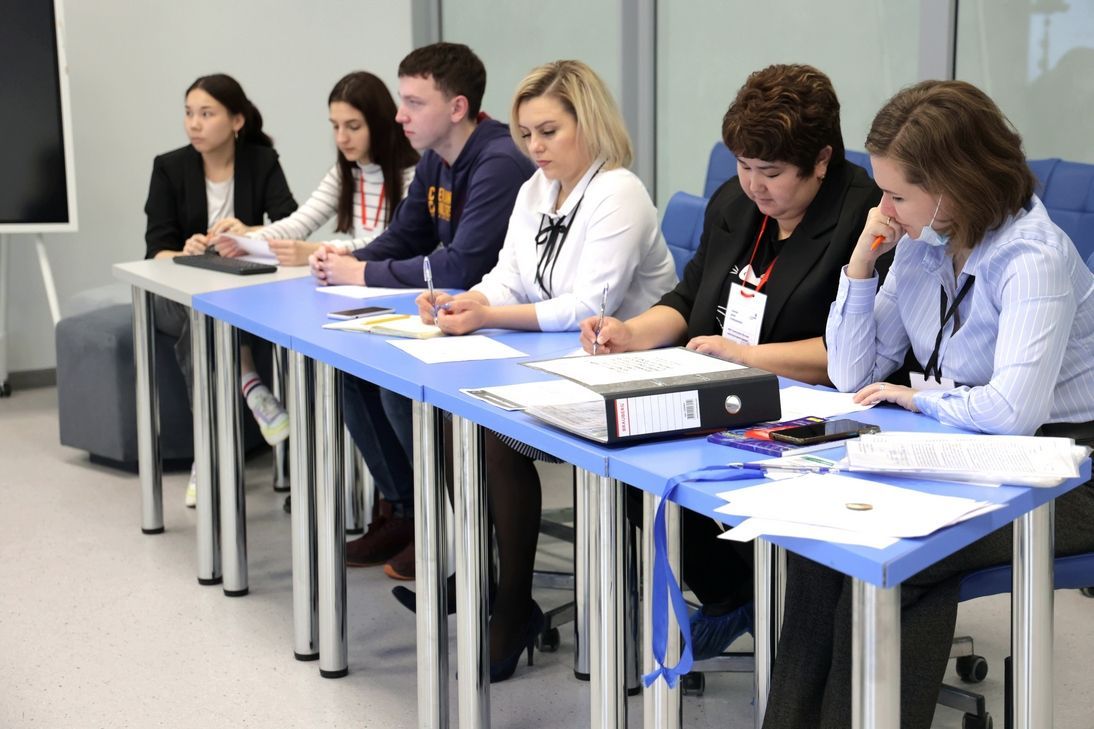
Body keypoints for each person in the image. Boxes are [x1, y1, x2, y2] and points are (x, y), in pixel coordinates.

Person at [763, 80, 1094, 729]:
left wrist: (920, 398)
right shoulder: (922, 240)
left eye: (896, 194)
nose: (882, 208)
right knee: (820, 536)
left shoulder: (1034, 259)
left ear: (953, 187)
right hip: (966, 447)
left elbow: (1012, 414)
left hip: (1066, 468)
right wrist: (861, 263)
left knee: (905, 554)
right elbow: (851, 372)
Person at [577, 64, 883, 660]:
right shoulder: (735, 205)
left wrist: (744, 355)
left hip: (820, 412)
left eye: (771, 172)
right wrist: (629, 333)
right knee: (627, 453)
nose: (754, 186)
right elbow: (689, 299)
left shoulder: (863, 220)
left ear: (821, 160)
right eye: (743, 166)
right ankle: (734, 594)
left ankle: (783, 615)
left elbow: (855, 356)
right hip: (729, 392)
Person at [397, 59, 677, 682]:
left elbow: (588, 307)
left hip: (628, 379)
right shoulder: (536, 190)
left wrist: (490, 314)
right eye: (527, 134)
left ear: (589, 123)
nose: (535, 147)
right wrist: (469, 301)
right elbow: (510, 276)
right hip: (555, 366)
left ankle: (511, 606)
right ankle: (488, 575)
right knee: (452, 416)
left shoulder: (619, 192)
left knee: (495, 433)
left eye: (549, 131)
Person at [308, 43, 535, 579]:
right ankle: (406, 510)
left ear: (457, 108)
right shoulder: (436, 158)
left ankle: (442, 523)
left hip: (505, 328)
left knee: (395, 384)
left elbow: (463, 264)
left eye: (413, 102)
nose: (399, 115)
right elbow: (405, 235)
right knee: (353, 372)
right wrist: (346, 260)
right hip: (457, 319)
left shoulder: (499, 161)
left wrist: (361, 274)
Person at [144, 73, 297, 507]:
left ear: (236, 121)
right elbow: (154, 250)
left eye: (206, 114)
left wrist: (249, 232)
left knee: (216, 313)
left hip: (239, 295)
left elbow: (289, 224)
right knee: (201, 312)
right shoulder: (169, 167)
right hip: (177, 298)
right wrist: (184, 252)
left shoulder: (261, 162)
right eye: (189, 113)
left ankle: (207, 456)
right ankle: (248, 388)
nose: (194, 124)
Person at [217, 71, 419, 265]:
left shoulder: (415, 176)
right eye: (335, 126)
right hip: (358, 278)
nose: (341, 138)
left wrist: (318, 250)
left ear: (380, 125)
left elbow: (392, 242)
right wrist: (246, 241)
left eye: (353, 127)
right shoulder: (343, 173)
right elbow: (299, 223)